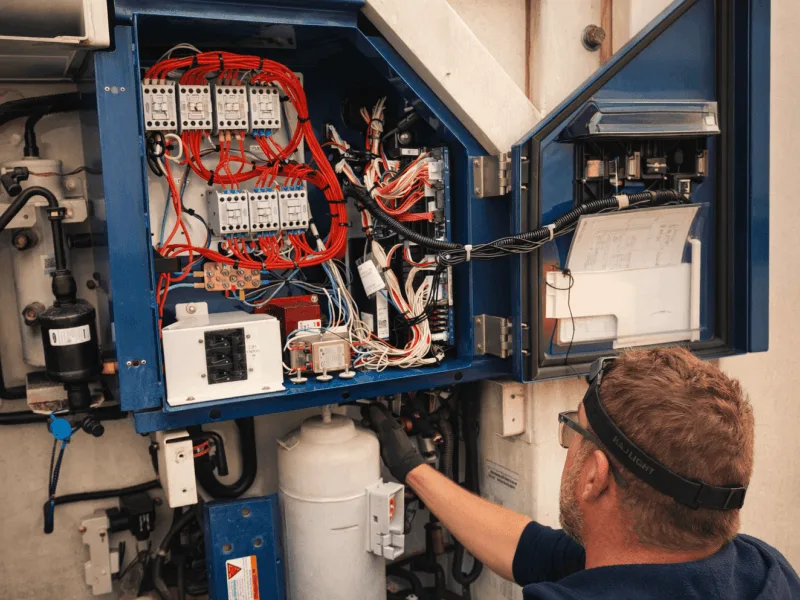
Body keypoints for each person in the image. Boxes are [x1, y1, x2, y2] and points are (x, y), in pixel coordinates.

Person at [367, 347, 800, 599]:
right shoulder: (761, 570)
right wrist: (414, 470)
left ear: (594, 476)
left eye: (572, 429)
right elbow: (533, 550)